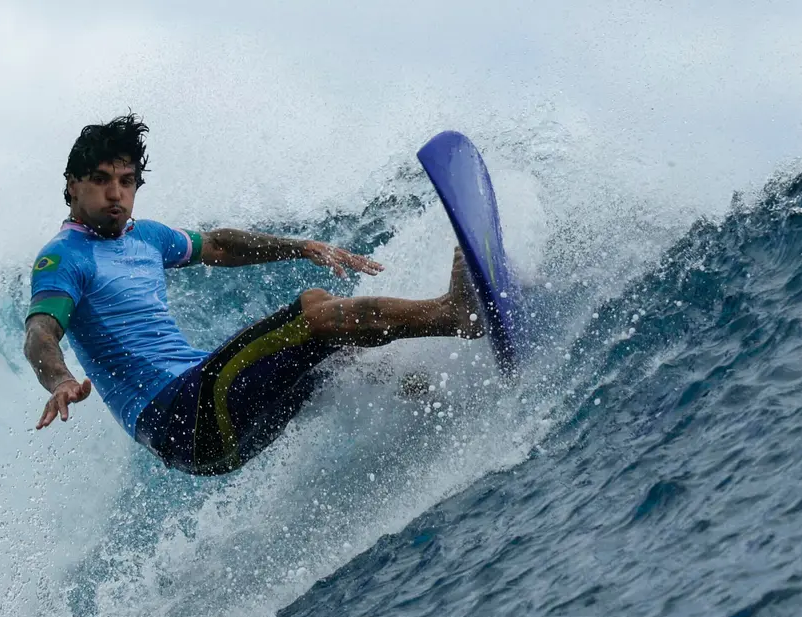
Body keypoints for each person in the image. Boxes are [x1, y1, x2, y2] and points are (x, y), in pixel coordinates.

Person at [24, 114, 484, 476]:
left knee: (339, 356)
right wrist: (61, 380)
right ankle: (453, 316)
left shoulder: (145, 237)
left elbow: (219, 245)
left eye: (126, 181)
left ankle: (451, 406)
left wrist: (302, 247)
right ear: (71, 186)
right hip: (179, 417)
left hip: (216, 422)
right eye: (102, 180)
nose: (115, 193)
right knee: (314, 313)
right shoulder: (64, 258)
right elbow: (41, 332)